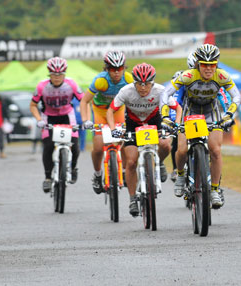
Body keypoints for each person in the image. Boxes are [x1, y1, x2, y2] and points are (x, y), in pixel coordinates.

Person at [163, 44, 239, 209]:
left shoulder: (221, 76)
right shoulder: (188, 75)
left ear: (216, 64)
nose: (208, 68)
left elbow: (235, 97)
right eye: (204, 64)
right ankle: (181, 175)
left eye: (212, 65)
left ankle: (215, 189)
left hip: (211, 113)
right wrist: (165, 116)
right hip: (190, 113)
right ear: (198, 64)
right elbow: (166, 94)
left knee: (216, 150)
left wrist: (229, 115)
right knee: (182, 149)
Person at [108, 63, 177, 217]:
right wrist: (113, 129)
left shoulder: (160, 90)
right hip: (133, 125)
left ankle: (159, 163)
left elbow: (177, 108)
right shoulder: (126, 91)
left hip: (154, 122)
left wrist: (176, 125)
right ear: (134, 82)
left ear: (152, 83)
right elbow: (110, 111)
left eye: (147, 84)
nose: (143, 88)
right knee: (131, 162)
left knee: (165, 145)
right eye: (140, 84)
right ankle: (133, 198)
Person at [79, 51, 134, 195]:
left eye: (120, 69)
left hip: (118, 112)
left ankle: (123, 171)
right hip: (100, 112)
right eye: (112, 69)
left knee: (124, 141)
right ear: (106, 69)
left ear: (124, 68)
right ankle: (97, 175)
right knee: (97, 147)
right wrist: (85, 120)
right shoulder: (100, 81)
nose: (116, 73)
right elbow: (85, 101)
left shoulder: (128, 79)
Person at [30, 57, 84, 193]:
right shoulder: (42, 86)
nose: (57, 77)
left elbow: (84, 101)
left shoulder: (71, 84)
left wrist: (85, 119)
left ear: (64, 74)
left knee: (75, 144)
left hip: (67, 116)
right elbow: (33, 105)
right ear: (49, 74)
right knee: (48, 145)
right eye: (54, 74)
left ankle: (73, 168)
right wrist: (38, 120)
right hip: (49, 117)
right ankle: (48, 177)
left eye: (60, 74)